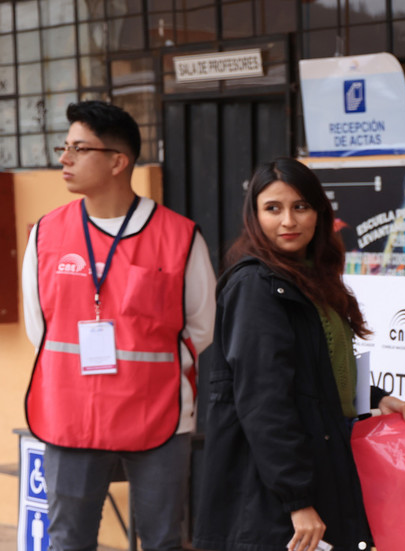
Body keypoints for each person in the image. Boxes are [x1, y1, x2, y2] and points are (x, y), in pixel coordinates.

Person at [193, 157, 405, 551]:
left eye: (300, 207)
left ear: (319, 213)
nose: (288, 221)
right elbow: (263, 401)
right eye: (273, 209)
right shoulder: (256, 285)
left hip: (320, 465)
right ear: (255, 217)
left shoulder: (311, 277)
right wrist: (297, 499)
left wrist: (375, 398)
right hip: (271, 496)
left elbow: (317, 370)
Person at [22, 101, 216, 551]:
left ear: (117, 161)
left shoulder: (180, 236)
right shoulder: (46, 234)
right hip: (69, 413)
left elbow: (200, 327)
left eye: (78, 148)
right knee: (69, 539)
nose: (63, 159)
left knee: (163, 539)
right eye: (63, 147)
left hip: (158, 412)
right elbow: (41, 328)